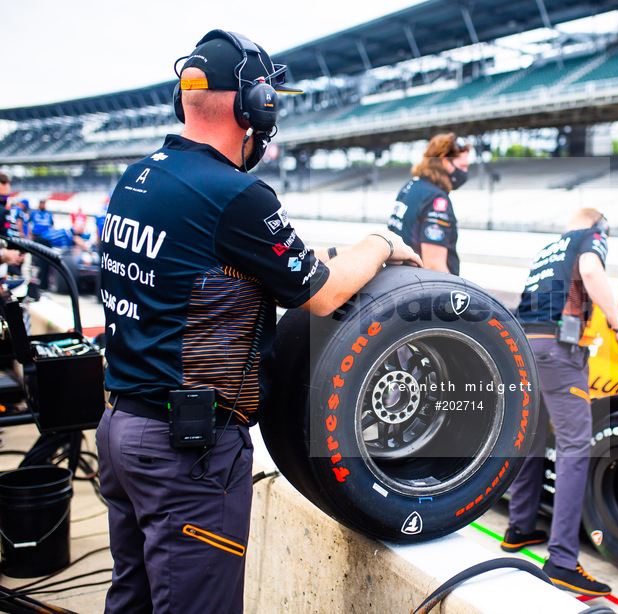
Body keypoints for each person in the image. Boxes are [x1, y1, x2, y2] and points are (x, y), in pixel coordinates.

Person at [95, 30, 421, 614]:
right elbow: (320, 295)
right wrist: (380, 242)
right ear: (256, 106)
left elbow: (231, 263)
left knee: (132, 601)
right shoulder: (238, 194)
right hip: (186, 454)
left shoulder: (139, 177)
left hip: (122, 430)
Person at [503, 208, 618, 596]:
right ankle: (561, 561)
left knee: (531, 441)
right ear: (598, 227)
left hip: (527, 347)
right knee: (575, 448)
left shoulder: (548, 249)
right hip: (560, 351)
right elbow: (592, 273)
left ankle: (519, 527)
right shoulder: (588, 238)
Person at [387, 132, 470, 274]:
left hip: (399, 279)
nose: (465, 172)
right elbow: (434, 267)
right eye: (462, 166)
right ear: (445, 162)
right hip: (422, 288)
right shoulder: (436, 199)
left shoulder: (410, 186)